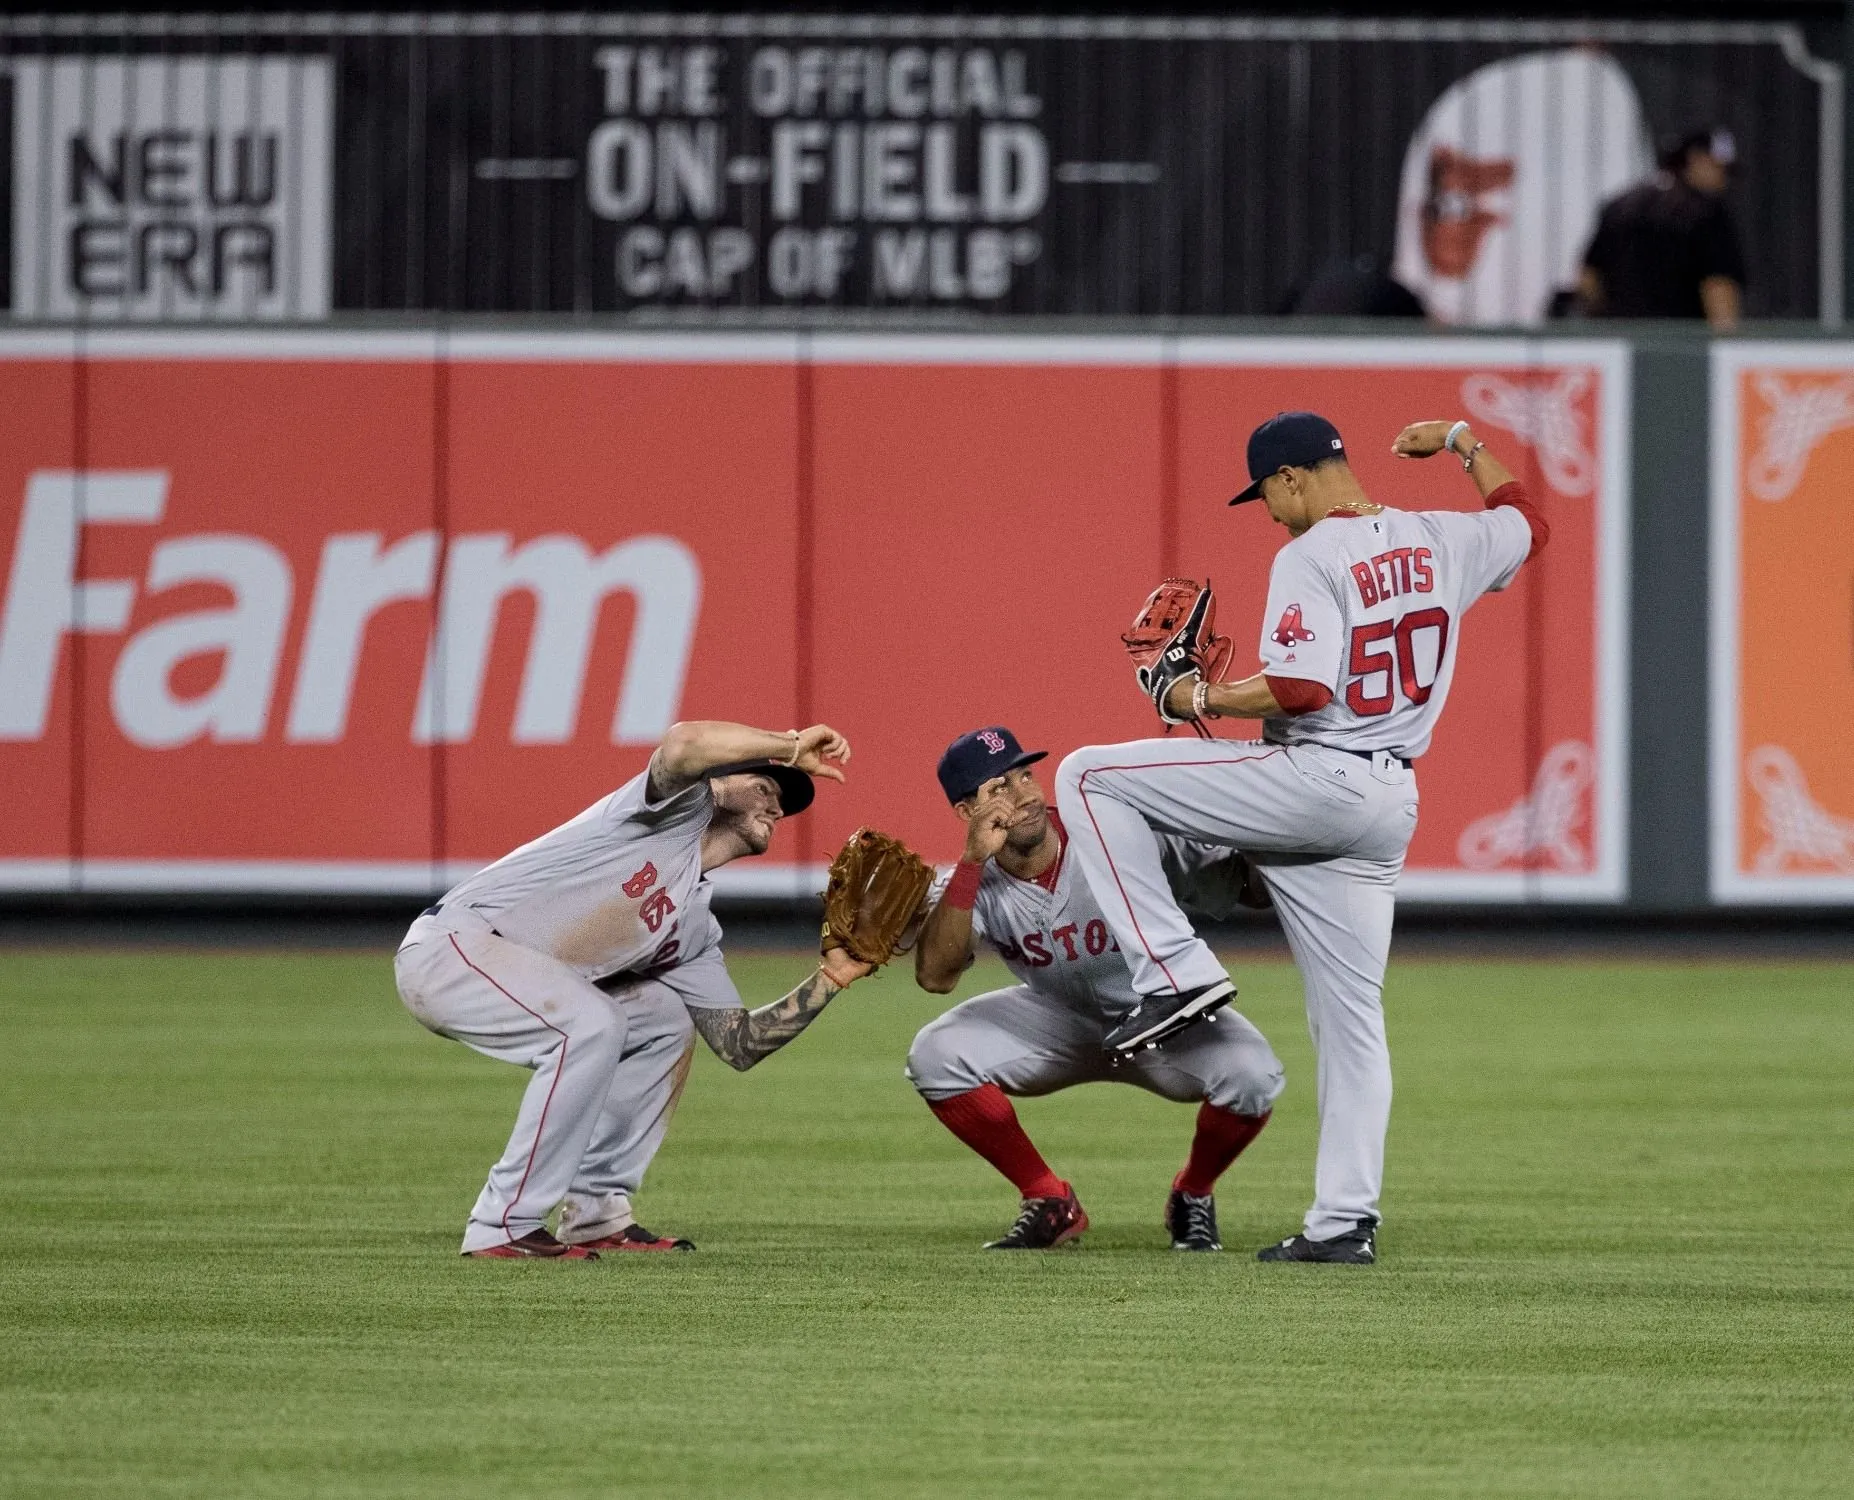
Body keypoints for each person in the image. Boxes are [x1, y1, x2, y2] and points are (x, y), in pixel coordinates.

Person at [1054, 411, 1548, 1264]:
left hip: (1319, 775)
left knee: (1087, 777)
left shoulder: (1311, 554)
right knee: (1353, 1026)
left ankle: (1173, 974)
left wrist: (1198, 699)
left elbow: (1301, 690)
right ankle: (1343, 1224)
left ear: (1292, 477)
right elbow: (1529, 521)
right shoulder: (1443, 538)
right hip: (1387, 801)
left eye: (1268, 496)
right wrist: (1462, 441)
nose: (1272, 514)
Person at [393, 720, 873, 1259]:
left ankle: (595, 1213)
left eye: (783, 802)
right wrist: (789, 745)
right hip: (452, 950)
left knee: (665, 1017)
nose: (776, 807)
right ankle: (502, 1224)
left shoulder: (693, 923)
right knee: (591, 1023)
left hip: (515, 973)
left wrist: (832, 977)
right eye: (764, 786)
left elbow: (740, 1043)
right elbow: (686, 743)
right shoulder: (666, 811)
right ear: (717, 783)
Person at [907, 726, 1283, 1251]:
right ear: (966, 812)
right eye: (1000, 787)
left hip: (1161, 1018)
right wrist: (971, 863)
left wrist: (1263, 837)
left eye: (1025, 775)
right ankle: (1048, 1199)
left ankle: (1192, 1194)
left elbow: (1245, 889)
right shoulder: (969, 881)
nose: (1024, 794)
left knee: (1254, 1076)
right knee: (934, 1055)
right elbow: (935, 976)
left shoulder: (1109, 831)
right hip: (1057, 1019)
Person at [1579, 126, 1746, 329]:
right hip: (1682, 341)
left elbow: (1589, 281)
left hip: (1622, 338)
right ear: (1696, 159)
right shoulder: (1707, 211)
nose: (1724, 181)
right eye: (1721, 169)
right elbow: (1718, 285)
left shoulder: (1620, 205)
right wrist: (1726, 338)